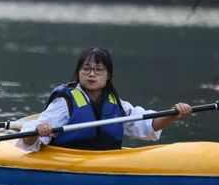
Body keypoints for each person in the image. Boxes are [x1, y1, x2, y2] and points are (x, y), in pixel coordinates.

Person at [18, 47, 192, 151]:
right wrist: (39, 131)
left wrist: (173, 115)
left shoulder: (116, 104)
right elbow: (28, 139)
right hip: (67, 159)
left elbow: (147, 125)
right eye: (86, 69)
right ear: (78, 73)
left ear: (108, 75)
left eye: (98, 70)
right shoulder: (65, 103)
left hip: (106, 158)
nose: (92, 74)